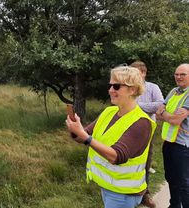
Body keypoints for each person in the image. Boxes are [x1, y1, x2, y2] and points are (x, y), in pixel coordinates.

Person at [66, 66, 156, 208]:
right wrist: (75, 130)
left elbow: (116, 156)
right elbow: (84, 136)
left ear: (132, 90)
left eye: (116, 86)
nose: (110, 90)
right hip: (107, 186)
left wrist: (85, 137)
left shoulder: (142, 123)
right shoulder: (109, 112)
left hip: (124, 193)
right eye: (110, 85)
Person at [130, 61, 164, 208]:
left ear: (144, 73)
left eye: (137, 72)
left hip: (146, 132)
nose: (134, 75)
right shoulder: (127, 87)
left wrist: (136, 106)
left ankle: (144, 195)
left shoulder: (152, 87)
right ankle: (129, 194)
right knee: (128, 162)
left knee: (145, 163)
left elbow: (160, 104)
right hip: (128, 130)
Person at [155, 63, 189, 208]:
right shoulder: (174, 91)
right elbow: (158, 113)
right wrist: (165, 113)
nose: (178, 77)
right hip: (168, 142)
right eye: (177, 74)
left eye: (183, 74)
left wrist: (164, 113)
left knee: (184, 182)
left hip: (183, 146)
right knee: (170, 178)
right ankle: (174, 205)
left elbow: (176, 120)